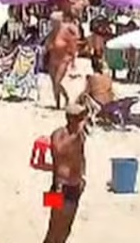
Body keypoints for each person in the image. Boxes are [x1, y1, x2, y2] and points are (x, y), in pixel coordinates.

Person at [42, 104, 88, 243]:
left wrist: (82, 177)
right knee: (58, 229)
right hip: (64, 186)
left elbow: (79, 156)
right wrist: (76, 134)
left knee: (60, 228)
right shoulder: (67, 136)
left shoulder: (70, 135)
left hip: (65, 185)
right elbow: (62, 150)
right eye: (80, 118)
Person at [45, 13, 80, 110]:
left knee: (57, 81)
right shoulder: (52, 32)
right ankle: (57, 103)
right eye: (52, 22)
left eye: (54, 22)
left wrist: (73, 61)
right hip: (53, 59)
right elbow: (47, 44)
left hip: (63, 60)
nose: (53, 24)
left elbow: (73, 46)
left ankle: (66, 97)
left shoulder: (66, 32)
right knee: (54, 83)